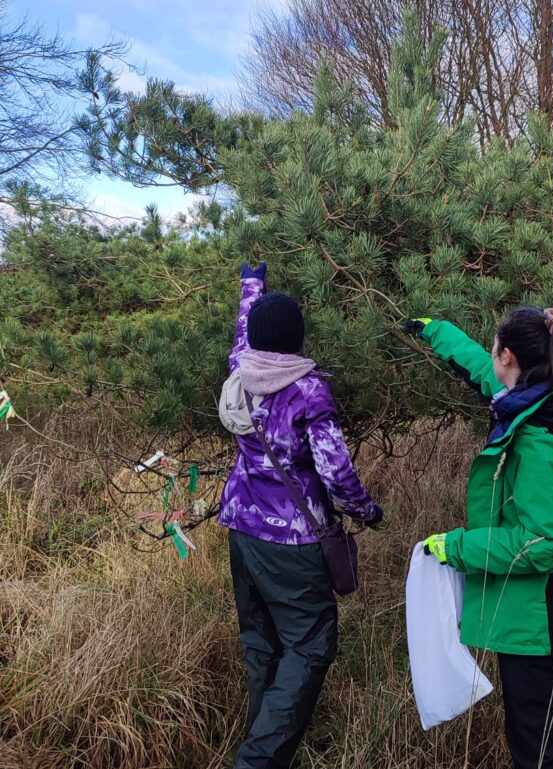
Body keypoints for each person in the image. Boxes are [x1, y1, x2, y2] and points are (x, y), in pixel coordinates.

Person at [405, 308, 553, 769]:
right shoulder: (547, 401)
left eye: (494, 347)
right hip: (551, 610)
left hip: (544, 618)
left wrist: (458, 547)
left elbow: (544, 542)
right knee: (544, 735)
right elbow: (485, 372)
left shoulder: (535, 441)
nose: (490, 358)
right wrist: (437, 331)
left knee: (537, 746)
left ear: (509, 356)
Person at [218, 263, 383, 769]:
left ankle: (261, 746)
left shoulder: (240, 371)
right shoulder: (307, 391)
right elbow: (335, 471)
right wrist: (366, 511)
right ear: (298, 338)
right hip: (292, 542)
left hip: (241, 529)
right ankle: (259, 761)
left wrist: (252, 286)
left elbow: (245, 329)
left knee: (260, 642)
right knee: (311, 647)